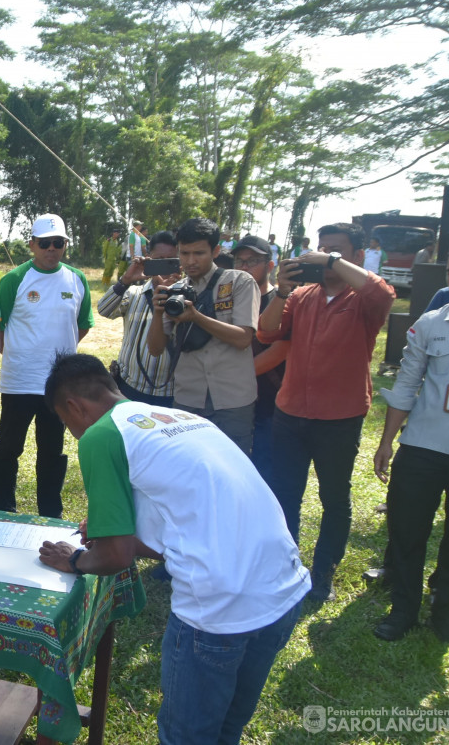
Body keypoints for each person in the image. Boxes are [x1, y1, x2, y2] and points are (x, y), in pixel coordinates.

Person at [38, 354, 309, 745]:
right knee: (226, 732)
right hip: (283, 591)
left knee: (187, 737)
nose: (75, 433)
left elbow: (114, 558)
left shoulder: (101, 435)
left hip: (218, 610)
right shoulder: (180, 419)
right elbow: (184, 532)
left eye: (68, 425)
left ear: (73, 407)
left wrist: (76, 559)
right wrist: (121, 536)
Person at [256, 222, 395, 603]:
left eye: (335, 250)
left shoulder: (364, 299)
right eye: (320, 249)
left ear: (358, 256)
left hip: (340, 416)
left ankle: (323, 574)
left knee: (335, 497)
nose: (323, 257)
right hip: (291, 412)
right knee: (285, 493)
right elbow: (266, 332)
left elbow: (381, 291)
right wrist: (282, 291)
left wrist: (330, 260)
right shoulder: (303, 297)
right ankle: (285, 565)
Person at [371, 240, 449, 648]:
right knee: (408, 532)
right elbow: (406, 385)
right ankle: (403, 611)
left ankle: (447, 617)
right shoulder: (431, 324)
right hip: (422, 446)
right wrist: (387, 441)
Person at [0, 214, 92, 518]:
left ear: (65, 245)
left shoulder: (77, 279)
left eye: (58, 243)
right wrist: (7, 360)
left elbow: (81, 325)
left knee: (52, 451)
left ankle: (50, 512)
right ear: (31, 244)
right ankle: (2, 509)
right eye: (44, 243)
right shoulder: (14, 279)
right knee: (8, 448)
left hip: (58, 386)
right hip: (20, 381)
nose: (51, 249)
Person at [146, 217, 260, 455]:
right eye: (184, 253)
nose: (190, 261)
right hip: (189, 397)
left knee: (233, 466)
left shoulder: (239, 281)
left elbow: (243, 339)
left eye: (199, 253)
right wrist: (157, 313)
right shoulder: (175, 289)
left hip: (232, 399)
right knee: (192, 465)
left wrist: (196, 317)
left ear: (216, 251)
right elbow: (155, 349)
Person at [97, 230, 179, 407]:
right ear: (149, 258)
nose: (164, 268)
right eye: (159, 260)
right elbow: (103, 310)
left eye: (170, 261)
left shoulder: (188, 297)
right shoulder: (134, 293)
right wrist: (126, 279)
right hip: (128, 387)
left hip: (170, 393)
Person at [232, 235, 289, 482]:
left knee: (264, 469)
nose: (244, 267)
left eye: (252, 261)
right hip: (232, 399)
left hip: (268, 397)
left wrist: (231, 376)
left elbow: (279, 351)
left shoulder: (283, 300)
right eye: (239, 261)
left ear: (270, 266)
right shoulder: (228, 299)